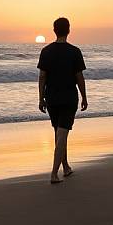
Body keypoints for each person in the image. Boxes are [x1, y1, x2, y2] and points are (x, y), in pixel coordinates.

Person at [37, 17, 88, 184]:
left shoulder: (46, 51)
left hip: (51, 98)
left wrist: (40, 98)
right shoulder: (74, 51)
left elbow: (42, 76)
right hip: (68, 98)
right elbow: (79, 77)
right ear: (69, 30)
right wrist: (84, 97)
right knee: (62, 134)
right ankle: (54, 173)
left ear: (54, 30)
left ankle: (65, 166)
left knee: (59, 134)